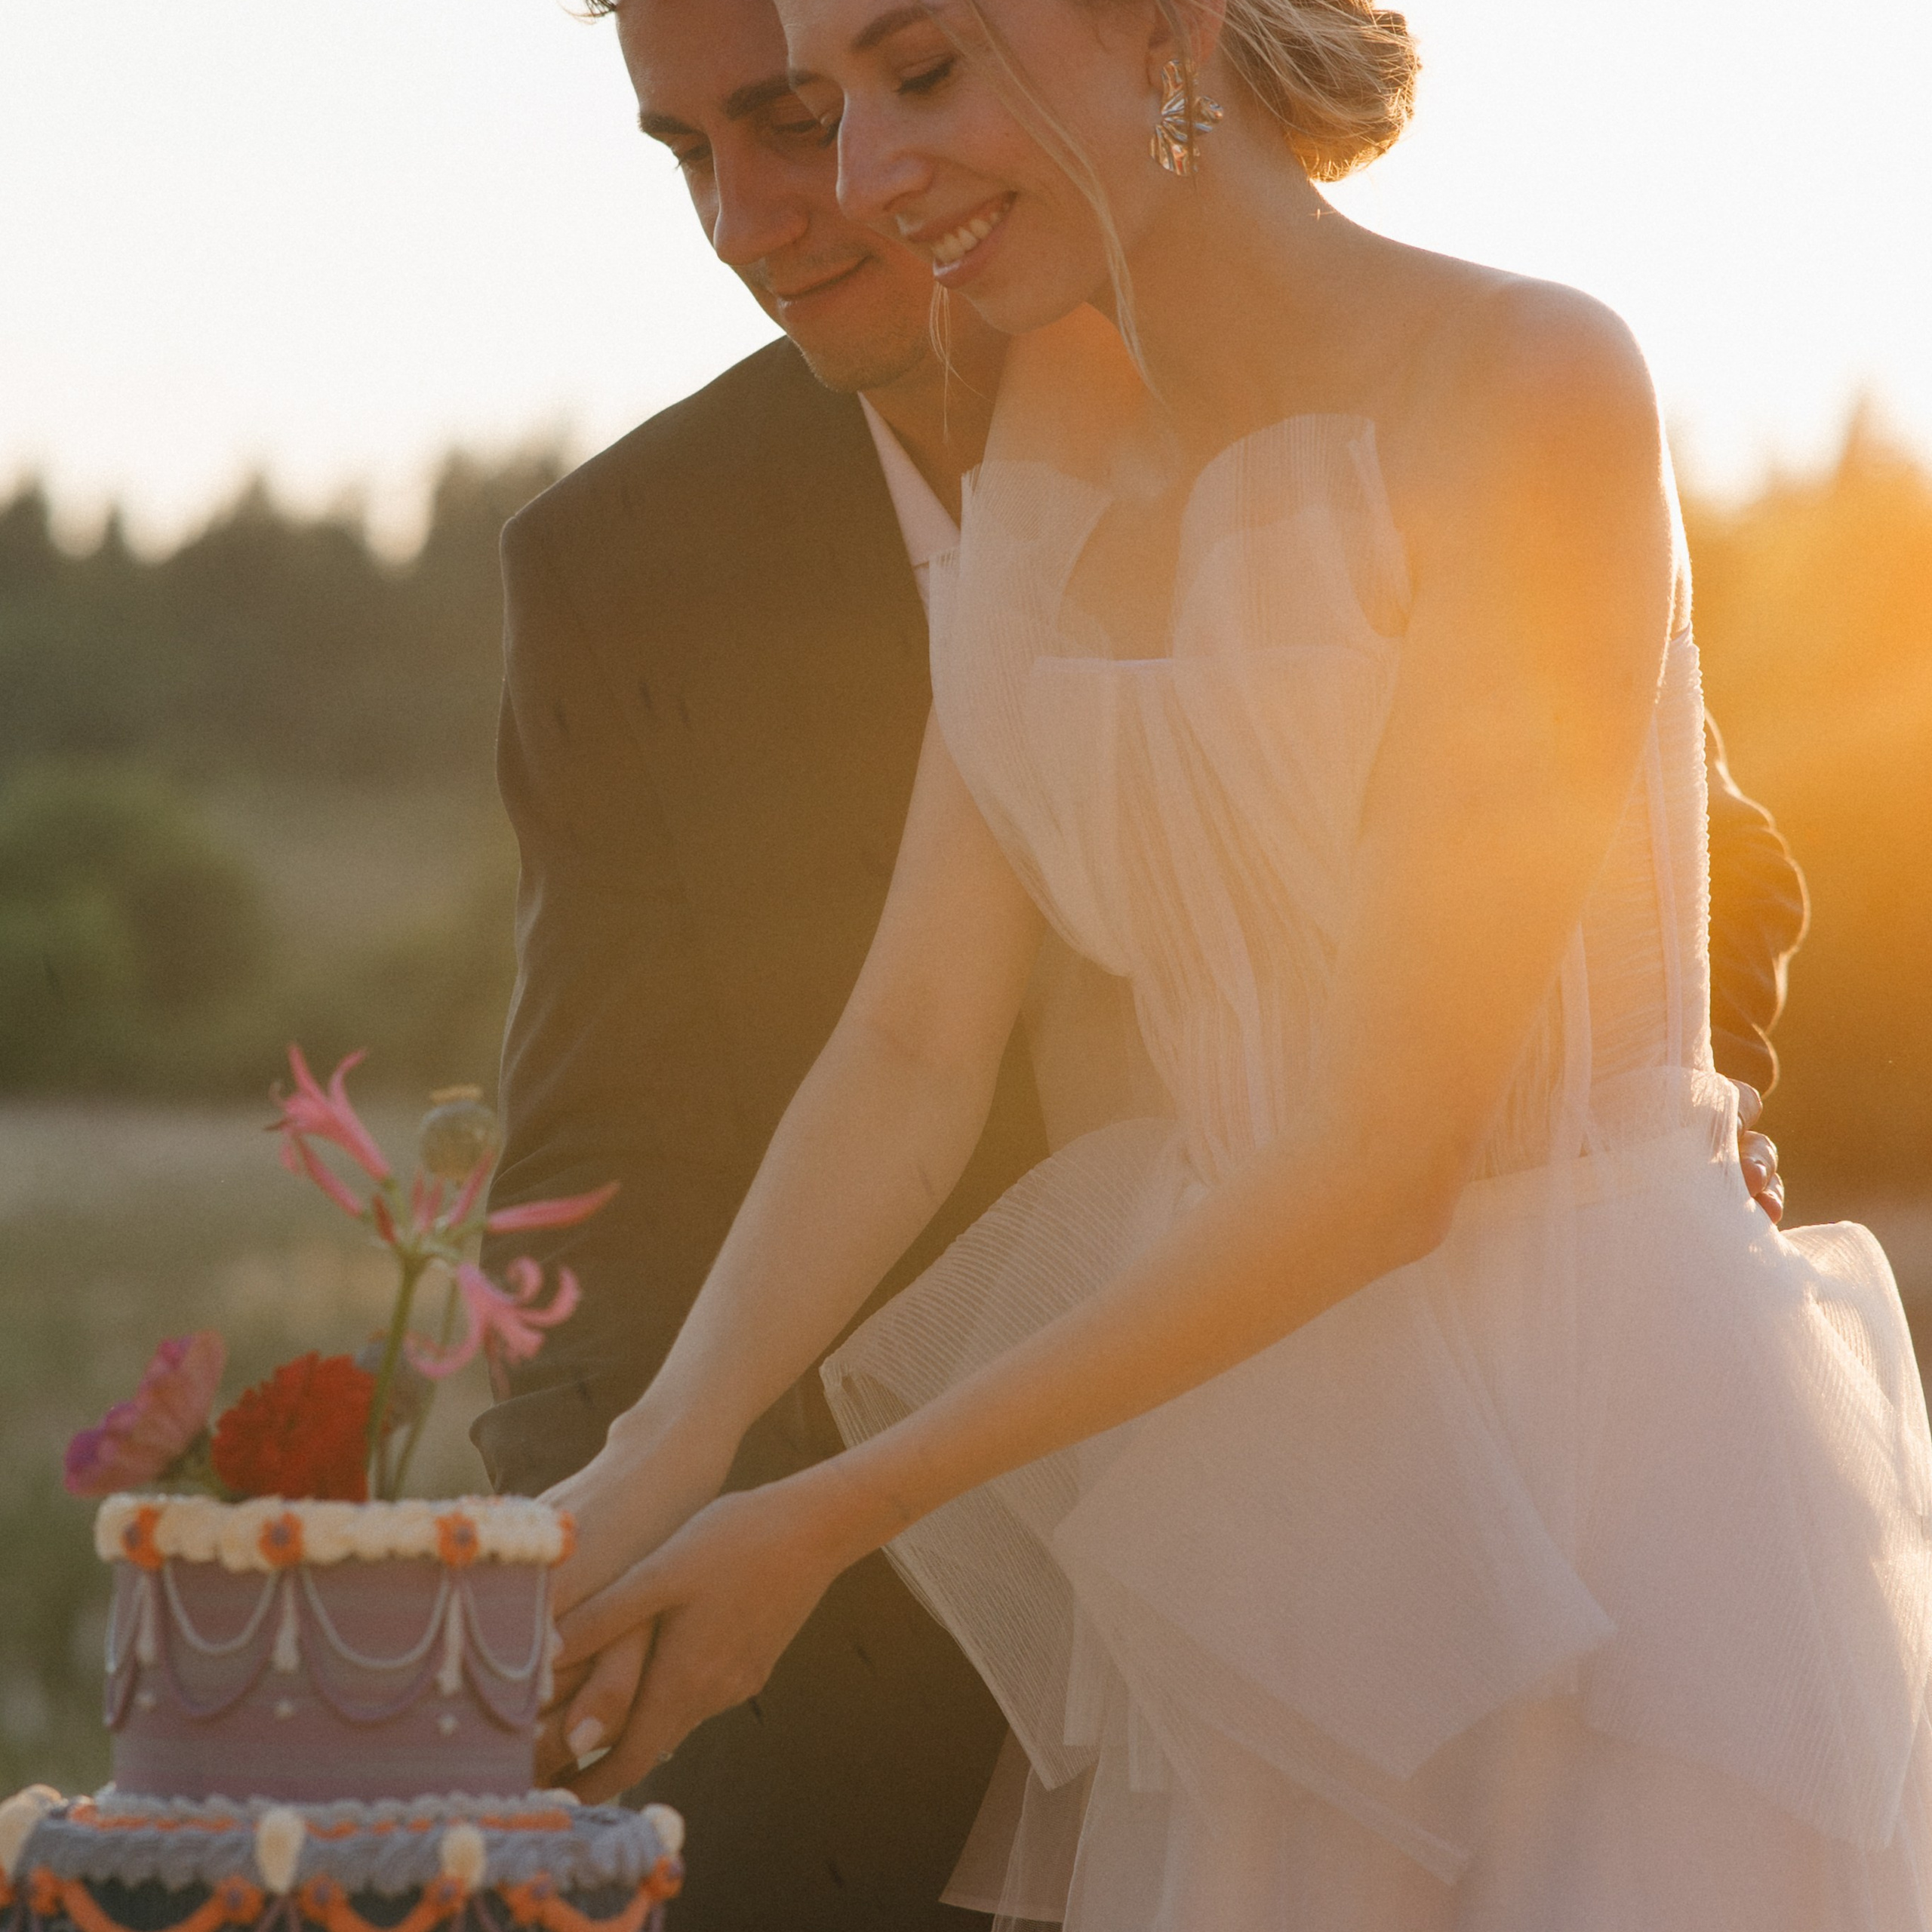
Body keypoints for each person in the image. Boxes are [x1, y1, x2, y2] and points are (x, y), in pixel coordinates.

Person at [482, 0, 1810, 1922]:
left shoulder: (1530, 377)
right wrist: (647, 1457)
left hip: (1580, 1448)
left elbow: (1382, 1147)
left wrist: (824, 1516)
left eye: (914, 76)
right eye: (828, 102)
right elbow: (910, 1047)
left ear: (1169, 30)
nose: (851, 182)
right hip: (1240, 1495)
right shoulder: (1061, 420)